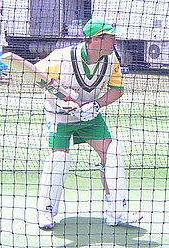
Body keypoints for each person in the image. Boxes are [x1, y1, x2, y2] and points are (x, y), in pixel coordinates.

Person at [35, 17, 143, 230]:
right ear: (95, 39)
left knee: (112, 152)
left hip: (89, 115)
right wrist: (60, 99)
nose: (115, 41)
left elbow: (117, 89)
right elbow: (36, 76)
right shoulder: (62, 57)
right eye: (111, 37)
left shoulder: (111, 60)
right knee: (59, 158)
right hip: (60, 115)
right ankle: (46, 211)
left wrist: (96, 105)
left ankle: (117, 212)